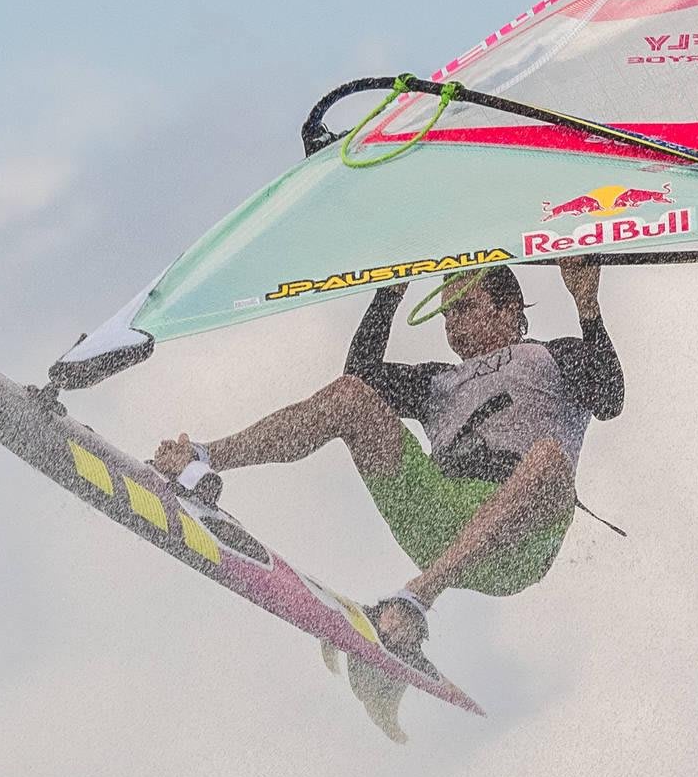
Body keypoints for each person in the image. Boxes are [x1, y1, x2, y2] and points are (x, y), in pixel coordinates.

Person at [153, 257, 620, 724]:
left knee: (551, 460)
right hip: (436, 514)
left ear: (508, 308)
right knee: (350, 396)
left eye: (463, 308)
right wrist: (390, 292)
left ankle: (417, 600)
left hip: (517, 540)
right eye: (445, 315)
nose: (451, 326)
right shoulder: (438, 382)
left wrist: (587, 303)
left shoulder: (555, 358)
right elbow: (359, 375)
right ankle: (202, 459)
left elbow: (609, 397)